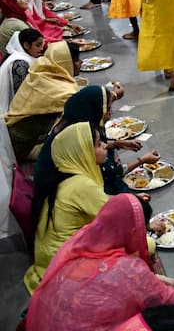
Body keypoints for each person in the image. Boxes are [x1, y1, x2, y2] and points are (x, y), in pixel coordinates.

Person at [25, 194, 174, 330]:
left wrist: (164, 281)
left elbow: (117, 281)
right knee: (172, 320)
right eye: (143, 229)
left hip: (45, 321)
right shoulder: (128, 269)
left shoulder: (83, 238)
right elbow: (169, 300)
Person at [23, 121, 109, 294]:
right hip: (65, 275)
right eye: (99, 144)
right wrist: (148, 240)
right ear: (82, 152)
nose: (106, 146)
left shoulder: (60, 177)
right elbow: (116, 220)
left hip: (47, 266)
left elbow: (105, 203)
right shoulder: (82, 186)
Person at [5, 40, 80, 161]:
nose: (80, 63)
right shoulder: (63, 92)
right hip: (25, 148)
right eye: (76, 60)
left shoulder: (40, 71)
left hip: (13, 139)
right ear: (65, 63)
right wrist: (112, 96)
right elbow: (83, 109)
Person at [0, 29, 43, 114]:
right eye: (38, 45)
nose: (41, 49)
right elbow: (22, 94)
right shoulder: (20, 63)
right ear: (26, 45)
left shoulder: (22, 57)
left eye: (42, 45)